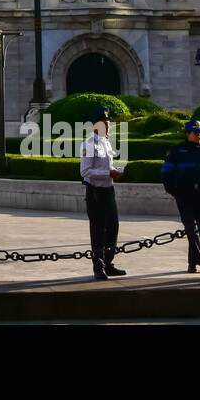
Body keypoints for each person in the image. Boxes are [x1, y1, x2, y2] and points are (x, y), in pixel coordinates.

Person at [160, 120, 200, 273]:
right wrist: (172, 189)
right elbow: (166, 171)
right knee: (191, 226)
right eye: (195, 133)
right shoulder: (176, 151)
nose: (199, 136)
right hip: (184, 193)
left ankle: (192, 264)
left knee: (199, 226)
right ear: (187, 134)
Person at [80, 107, 126, 280]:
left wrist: (115, 171)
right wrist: (108, 174)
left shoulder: (106, 143)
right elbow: (85, 171)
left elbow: (105, 167)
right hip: (95, 192)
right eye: (105, 123)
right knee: (98, 229)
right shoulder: (89, 144)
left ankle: (109, 263)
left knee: (113, 226)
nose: (109, 126)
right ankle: (98, 267)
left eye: (108, 123)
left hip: (108, 190)